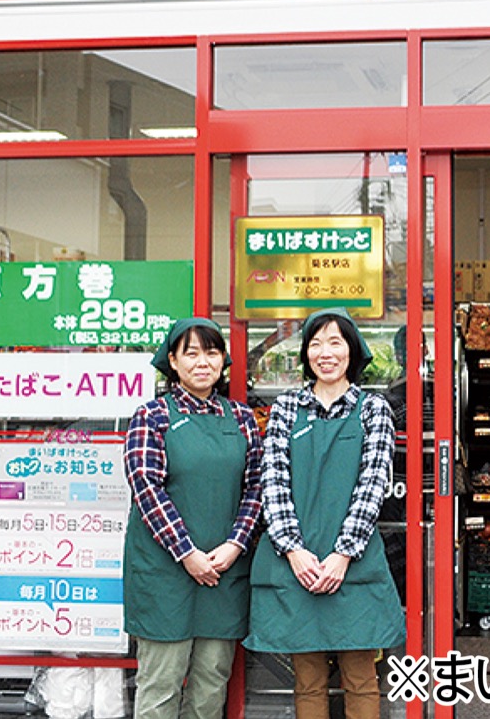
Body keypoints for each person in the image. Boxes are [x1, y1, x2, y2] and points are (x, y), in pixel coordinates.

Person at [246, 308, 405, 719]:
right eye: (315, 343)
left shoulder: (373, 410)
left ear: (352, 351)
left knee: (361, 677)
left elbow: (373, 486)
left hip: (352, 561)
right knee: (308, 678)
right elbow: (273, 484)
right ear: (306, 354)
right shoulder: (284, 410)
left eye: (335, 342)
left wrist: (342, 554)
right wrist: (294, 551)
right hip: (296, 561)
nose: (325, 352)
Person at [123, 318, 263, 719]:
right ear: (173, 361)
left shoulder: (240, 418)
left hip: (223, 571)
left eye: (212, 352)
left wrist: (235, 544)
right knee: (161, 686)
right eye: (192, 352)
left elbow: (256, 488)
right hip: (165, 574)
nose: (203, 361)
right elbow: (147, 489)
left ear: (224, 360)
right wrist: (187, 553)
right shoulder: (151, 416)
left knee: (210, 687)